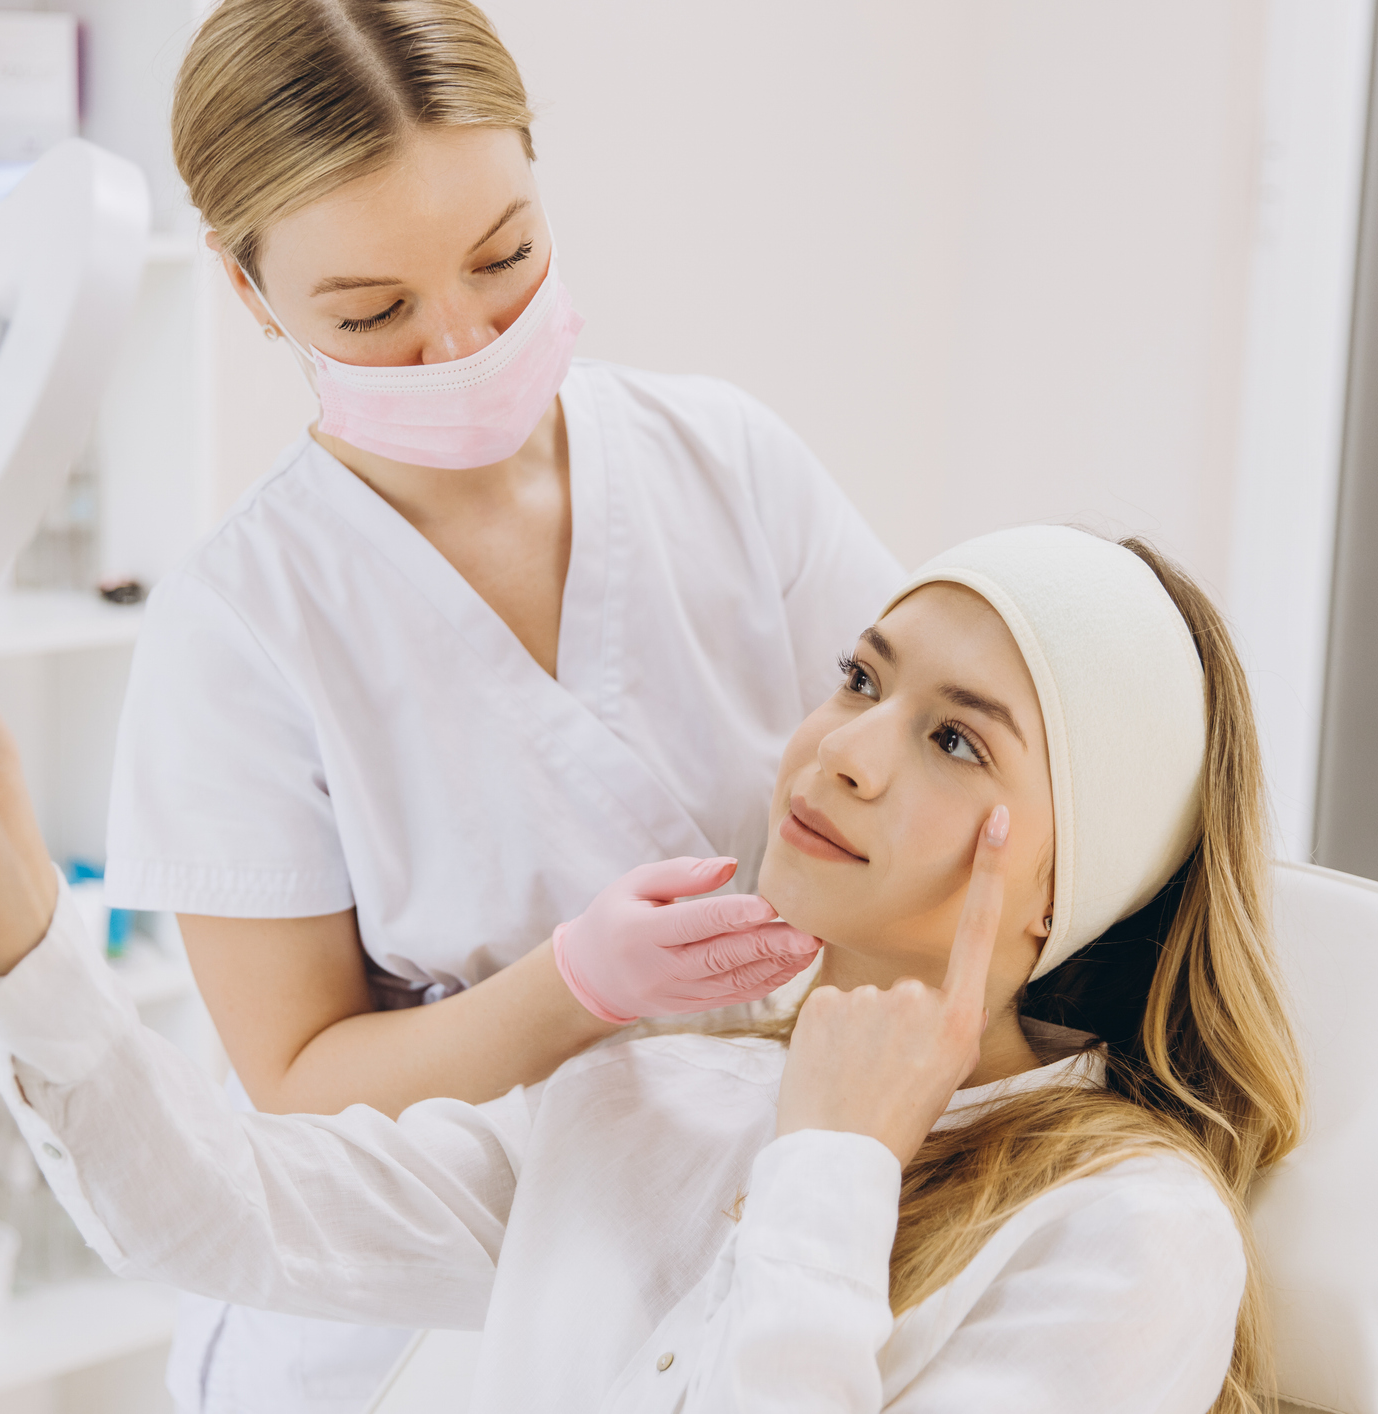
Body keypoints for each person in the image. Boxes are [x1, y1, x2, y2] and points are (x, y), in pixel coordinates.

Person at [0, 523, 1305, 1411]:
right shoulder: (662, 1088)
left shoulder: (1126, 1234)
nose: (844, 751)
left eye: (956, 735)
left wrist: (833, 1167)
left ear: (1074, 877)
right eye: (860, 677)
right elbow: (211, 1208)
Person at [137, 0, 900, 1402]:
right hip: (416, 1308)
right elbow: (297, 1085)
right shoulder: (240, 628)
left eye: (508, 260)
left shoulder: (725, 464)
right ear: (247, 291)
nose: (466, 346)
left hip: (743, 1222)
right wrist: (575, 988)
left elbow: (917, 764)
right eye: (373, 315)